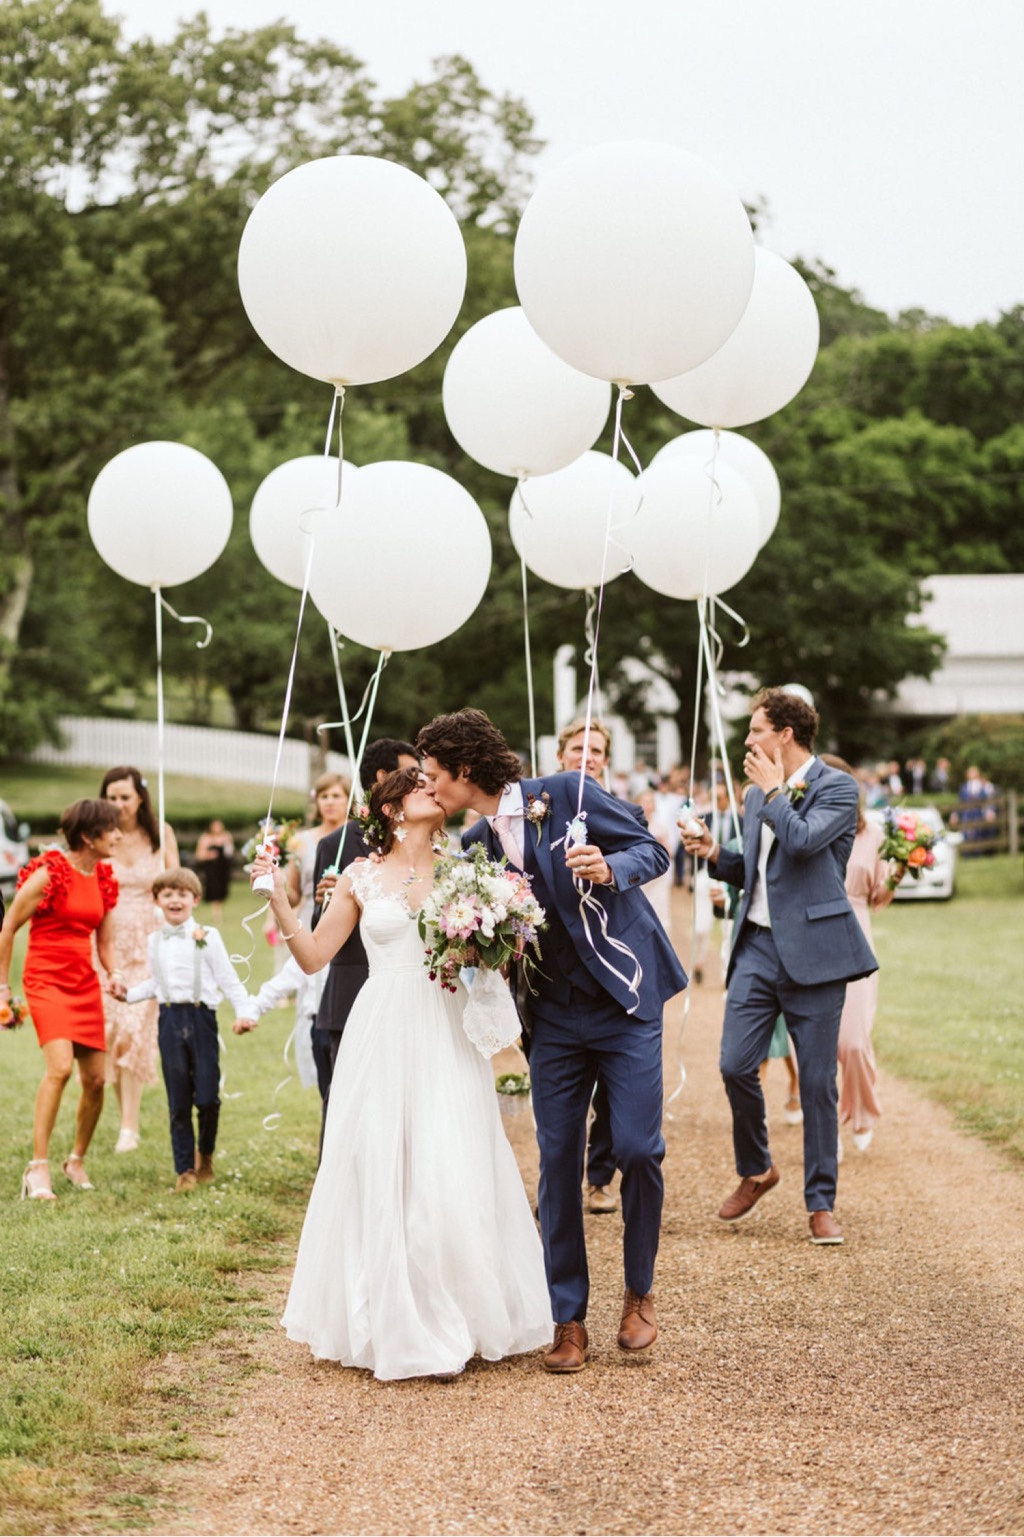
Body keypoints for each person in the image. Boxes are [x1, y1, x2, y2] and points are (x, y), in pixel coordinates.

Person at [251, 767, 552, 1381]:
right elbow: (312, 958)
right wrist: (278, 897)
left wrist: (486, 941)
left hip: (444, 1021)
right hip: (381, 1024)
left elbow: (489, 952)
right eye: (417, 785)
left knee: (450, 1154)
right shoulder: (360, 876)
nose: (431, 789)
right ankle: (393, 1317)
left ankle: (457, 1314)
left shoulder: (467, 870)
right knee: (383, 1157)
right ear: (390, 809)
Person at [418, 708, 687, 1374]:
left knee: (637, 1147)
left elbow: (652, 850)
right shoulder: (475, 844)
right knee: (557, 1158)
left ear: (465, 769)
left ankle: (640, 1290)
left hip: (625, 998)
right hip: (555, 1016)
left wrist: (607, 864)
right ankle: (566, 1316)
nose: (428, 789)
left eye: (432, 776)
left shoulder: (565, 792)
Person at [681, 688, 876, 1246]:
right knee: (734, 1065)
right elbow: (760, 871)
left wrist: (772, 792)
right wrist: (715, 854)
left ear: (784, 735)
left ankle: (820, 1203)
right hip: (758, 947)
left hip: (816, 952)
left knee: (816, 1083)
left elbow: (805, 843)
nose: (747, 740)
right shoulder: (753, 796)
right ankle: (759, 1167)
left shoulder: (838, 788)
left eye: (756, 730)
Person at [0, 799, 122, 1200]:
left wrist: (115, 974)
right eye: (111, 829)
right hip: (45, 980)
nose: (119, 835)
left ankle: (76, 1160)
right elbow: (8, 926)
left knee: (98, 1079)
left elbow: (104, 943)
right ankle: (37, 1168)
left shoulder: (103, 876)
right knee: (60, 1068)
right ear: (88, 836)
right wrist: (3, 987)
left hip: (84, 983)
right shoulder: (49, 873)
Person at [113, 867, 254, 1192]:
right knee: (178, 1099)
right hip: (170, 1021)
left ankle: (205, 1153)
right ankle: (184, 1169)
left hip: (201, 1019)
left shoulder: (208, 936)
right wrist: (129, 994)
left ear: (195, 899)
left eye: (182, 894)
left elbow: (228, 980)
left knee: (207, 1098)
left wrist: (245, 1010)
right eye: (168, 894)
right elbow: (155, 982)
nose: (175, 900)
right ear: (157, 900)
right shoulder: (154, 941)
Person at [309, 738, 419, 1150]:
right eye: (410, 773)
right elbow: (320, 933)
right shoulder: (336, 844)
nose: (420, 782)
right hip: (352, 984)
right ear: (383, 778)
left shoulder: (426, 844)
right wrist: (327, 901)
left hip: (409, 990)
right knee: (345, 1100)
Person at [820, 754, 903, 1153]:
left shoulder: (870, 834)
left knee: (853, 1040)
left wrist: (898, 875)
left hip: (855, 932)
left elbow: (877, 896)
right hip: (812, 935)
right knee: (818, 1042)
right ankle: (826, 1128)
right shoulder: (806, 829)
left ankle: (863, 1111)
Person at [100, 766, 180, 1154]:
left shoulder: (159, 833)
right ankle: (125, 1119)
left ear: (140, 798)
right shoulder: (101, 836)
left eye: (125, 797)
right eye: (111, 798)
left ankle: (129, 1126)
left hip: (149, 943)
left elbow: (176, 881)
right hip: (109, 944)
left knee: (134, 1029)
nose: (118, 805)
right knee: (114, 1031)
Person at [194, 818, 234, 923]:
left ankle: (219, 913)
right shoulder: (206, 838)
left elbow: (230, 852)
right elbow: (198, 855)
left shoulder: (226, 836)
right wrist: (209, 855)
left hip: (223, 868)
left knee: (222, 892)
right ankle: (217, 916)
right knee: (215, 892)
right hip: (212, 869)